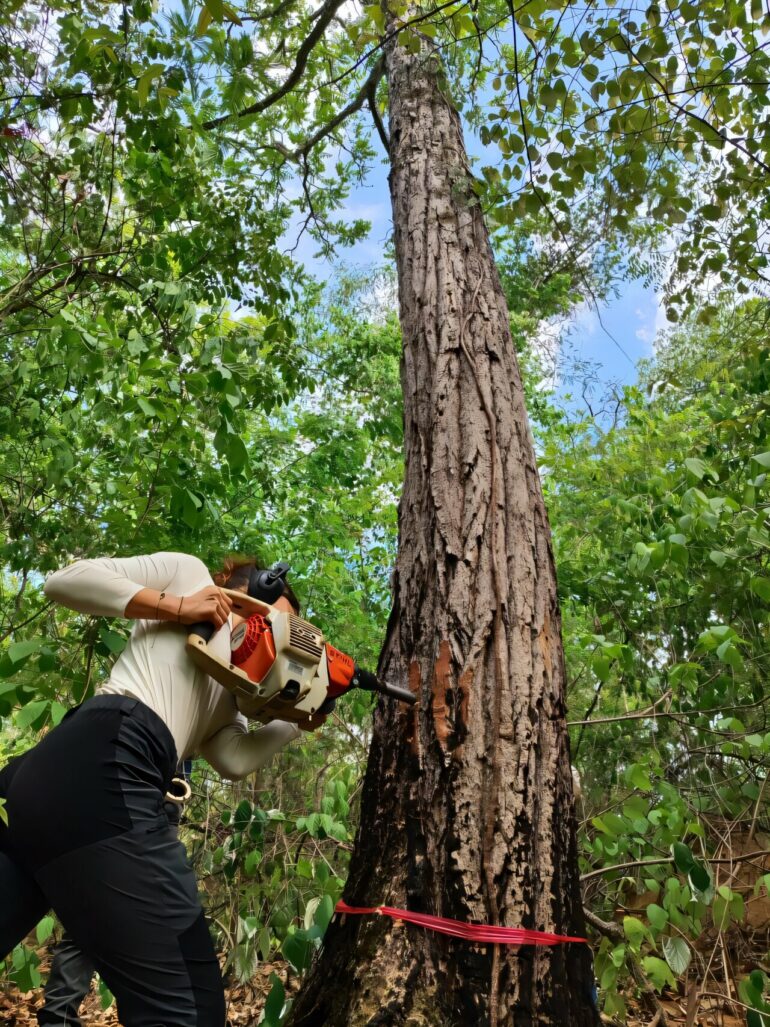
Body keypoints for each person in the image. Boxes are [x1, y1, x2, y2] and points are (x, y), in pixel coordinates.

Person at [0, 552, 316, 1027]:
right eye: (275, 625)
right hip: (107, 757)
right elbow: (64, 580)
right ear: (250, 591)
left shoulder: (228, 692)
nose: (278, 645)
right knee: (187, 1008)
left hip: (52, 788)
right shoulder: (187, 575)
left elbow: (232, 759)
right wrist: (180, 606)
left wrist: (300, 718)